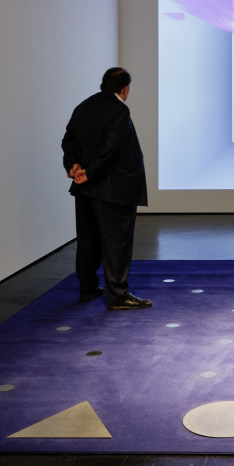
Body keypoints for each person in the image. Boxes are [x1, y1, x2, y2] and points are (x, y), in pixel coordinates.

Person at [61, 67, 151, 310]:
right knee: (117, 241)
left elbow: (67, 140)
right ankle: (118, 295)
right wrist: (89, 172)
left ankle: (88, 289)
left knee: (88, 240)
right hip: (113, 189)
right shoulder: (119, 109)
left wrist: (74, 166)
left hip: (84, 188)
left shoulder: (84, 106)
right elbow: (111, 149)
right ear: (125, 89)